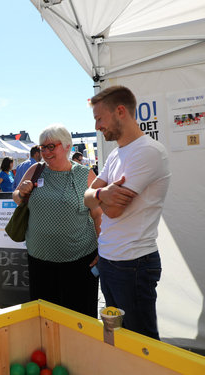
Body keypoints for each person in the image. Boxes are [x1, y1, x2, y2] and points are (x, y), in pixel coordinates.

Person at [84, 85, 171, 340]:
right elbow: (88, 195)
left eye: (100, 118)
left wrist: (100, 197)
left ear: (120, 111)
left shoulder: (148, 151)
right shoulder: (116, 154)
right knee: (118, 337)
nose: (98, 125)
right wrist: (102, 195)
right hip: (111, 260)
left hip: (133, 264)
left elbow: (113, 213)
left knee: (141, 342)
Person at [13, 124, 101, 318]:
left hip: (79, 261)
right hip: (40, 260)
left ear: (67, 146)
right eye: (42, 147)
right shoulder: (36, 170)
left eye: (51, 146)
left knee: (79, 316)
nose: (45, 152)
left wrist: (103, 248)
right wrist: (22, 192)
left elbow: (98, 214)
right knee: (46, 317)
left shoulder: (85, 175)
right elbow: (17, 197)